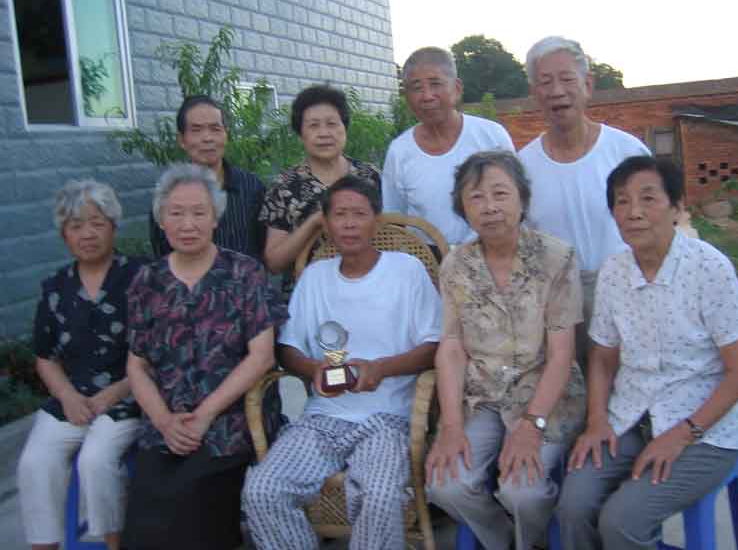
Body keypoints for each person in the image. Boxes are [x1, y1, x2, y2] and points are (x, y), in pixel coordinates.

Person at [556, 156, 738, 550]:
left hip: (704, 429)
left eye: (648, 198)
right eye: (622, 201)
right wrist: (597, 420)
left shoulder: (709, 269)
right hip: (630, 417)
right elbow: (603, 357)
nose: (633, 212)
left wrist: (683, 434)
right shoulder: (614, 272)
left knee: (622, 522)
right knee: (572, 506)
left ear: (677, 207)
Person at [244, 175, 441, 550]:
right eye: (340, 215)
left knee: (379, 495)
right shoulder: (314, 277)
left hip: (388, 419)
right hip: (323, 419)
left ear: (375, 220)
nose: (349, 224)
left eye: (359, 214)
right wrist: (313, 370)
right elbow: (288, 348)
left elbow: (435, 345)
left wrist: (381, 368)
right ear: (326, 224)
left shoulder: (407, 270)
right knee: (263, 490)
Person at [425, 151, 586, 550]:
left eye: (500, 193)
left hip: (543, 395)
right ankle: (504, 540)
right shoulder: (456, 265)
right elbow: (451, 347)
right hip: (481, 397)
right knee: (444, 485)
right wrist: (451, 425)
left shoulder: (556, 258)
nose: (490, 207)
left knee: (522, 493)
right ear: (462, 208)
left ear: (522, 199)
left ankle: (532, 537)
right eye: (476, 197)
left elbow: (562, 354)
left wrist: (532, 425)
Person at [123, 164, 286, 550]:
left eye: (199, 212)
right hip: (167, 423)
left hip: (230, 423)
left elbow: (261, 357)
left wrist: (205, 415)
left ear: (216, 217)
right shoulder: (147, 281)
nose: (188, 224)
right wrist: (164, 422)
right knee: (145, 523)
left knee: (192, 511)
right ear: (161, 220)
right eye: (176, 213)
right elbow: (136, 365)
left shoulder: (244, 273)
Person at [17, 180, 142, 550]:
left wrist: (114, 393)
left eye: (97, 223)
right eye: (76, 226)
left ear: (113, 227)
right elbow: (45, 356)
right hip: (72, 400)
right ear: (64, 234)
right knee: (35, 461)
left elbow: (155, 352)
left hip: (127, 398)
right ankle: (45, 545)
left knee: (95, 460)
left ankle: (113, 543)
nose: (88, 234)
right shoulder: (55, 287)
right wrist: (67, 396)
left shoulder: (140, 278)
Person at [517, 36, 650, 370]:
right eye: (545, 82)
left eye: (566, 79)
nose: (556, 91)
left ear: (588, 85)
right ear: (534, 93)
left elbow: (660, 226)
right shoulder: (522, 167)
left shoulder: (626, 152)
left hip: (629, 290)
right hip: (558, 303)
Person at [382, 47, 515, 247]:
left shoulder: (491, 136)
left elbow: (518, 202)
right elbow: (393, 220)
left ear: (457, 89)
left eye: (435, 84)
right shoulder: (399, 151)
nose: (427, 96)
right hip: (428, 260)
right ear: (407, 96)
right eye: (416, 88)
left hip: (491, 253)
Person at [260, 84, 381, 300]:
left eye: (332, 124)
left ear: (345, 127)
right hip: (308, 299)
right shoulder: (285, 186)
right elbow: (274, 263)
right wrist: (314, 222)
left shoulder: (370, 177)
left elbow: (390, 237)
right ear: (300, 134)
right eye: (313, 125)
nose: (324, 133)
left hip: (371, 292)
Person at [149, 95, 266, 261]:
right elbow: (163, 257)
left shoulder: (252, 187)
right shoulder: (168, 194)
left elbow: (264, 250)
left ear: (226, 134)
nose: (207, 138)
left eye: (215, 129)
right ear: (182, 140)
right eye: (196, 130)